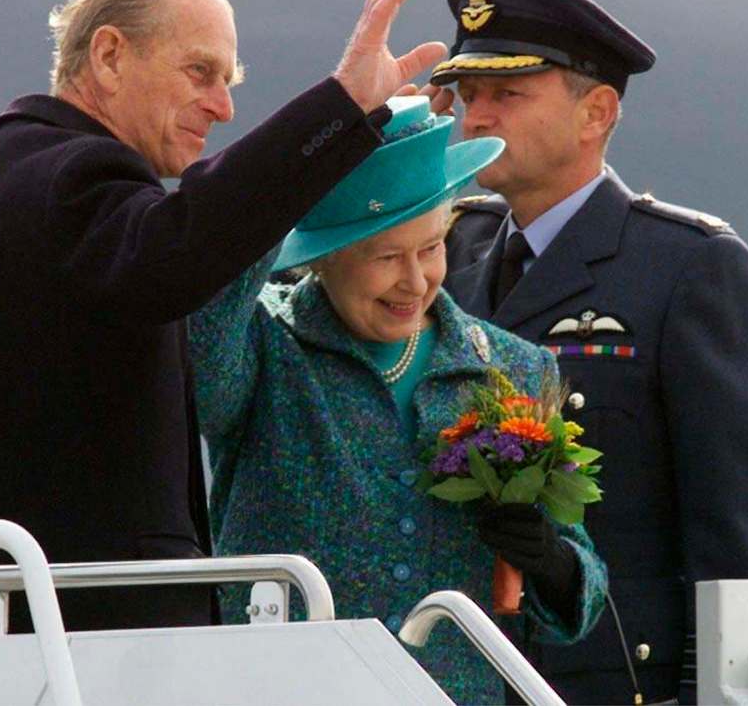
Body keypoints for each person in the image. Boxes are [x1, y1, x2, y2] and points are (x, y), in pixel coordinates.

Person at [0, 0, 447, 636]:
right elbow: (184, 246)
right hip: (101, 650)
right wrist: (344, 104)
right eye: (200, 72)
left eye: (229, 81)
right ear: (109, 56)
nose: (224, 107)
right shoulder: (81, 178)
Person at [425, 0, 748, 704]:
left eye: (506, 94)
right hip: (446, 669)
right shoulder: (444, 250)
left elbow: (729, 539)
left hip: (608, 679)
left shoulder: (690, 267)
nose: (476, 117)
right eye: (467, 95)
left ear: (595, 113)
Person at [187, 96, 608, 704]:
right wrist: (296, 170)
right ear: (326, 256)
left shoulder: (513, 368)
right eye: (386, 256)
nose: (415, 282)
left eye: (431, 248)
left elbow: (581, 600)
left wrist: (551, 561)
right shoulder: (265, 347)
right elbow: (204, 329)